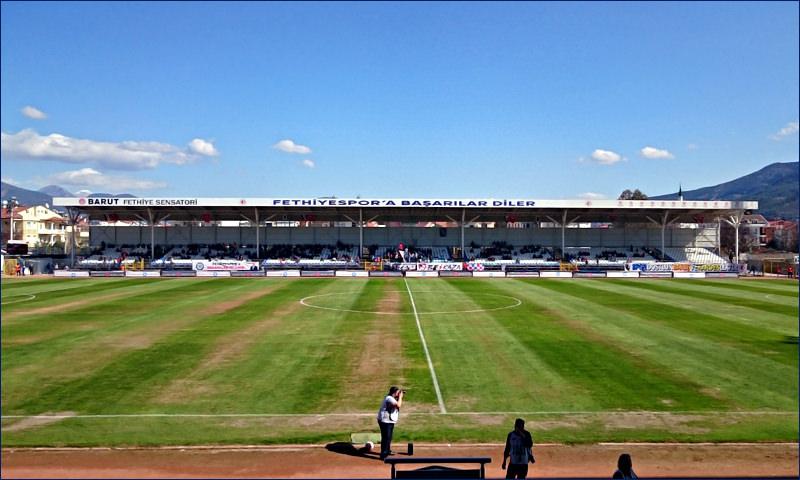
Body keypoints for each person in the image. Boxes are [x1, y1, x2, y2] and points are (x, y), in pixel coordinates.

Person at [376, 386, 404, 460]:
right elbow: (398, 405)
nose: (399, 394)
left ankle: (387, 450)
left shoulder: (393, 398)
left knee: (389, 437)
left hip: (389, 420)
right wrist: (400, 397)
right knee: (386, 437)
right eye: (398, 393)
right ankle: (383, 455)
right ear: (394, 393)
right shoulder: (389, 398)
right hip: (385, 421)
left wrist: (399, 397)